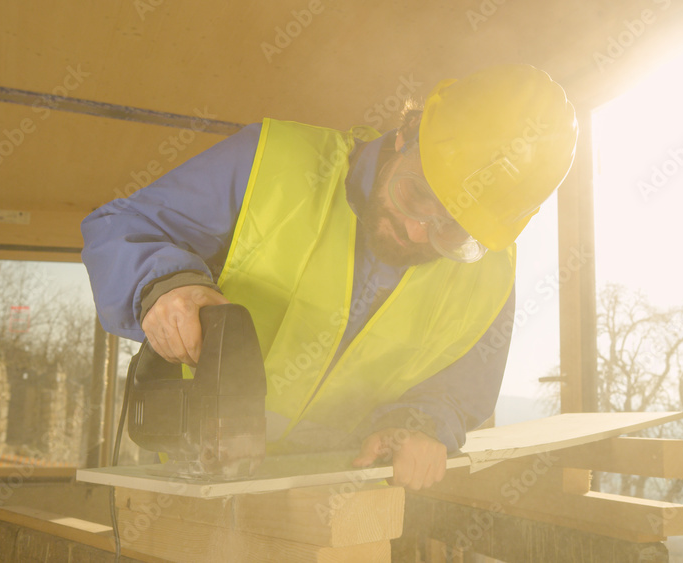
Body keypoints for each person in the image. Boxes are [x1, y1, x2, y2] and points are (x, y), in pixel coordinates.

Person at [81, 64, 578, 490]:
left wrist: (417, 426)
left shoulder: (489, 275)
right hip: (192, 476)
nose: (416, 230)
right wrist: (163, 287)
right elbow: (123, 228)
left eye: (452, 229)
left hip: (334, 492)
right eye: (417, 195)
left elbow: (456, 390)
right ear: (407, 133)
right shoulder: (275, 164)